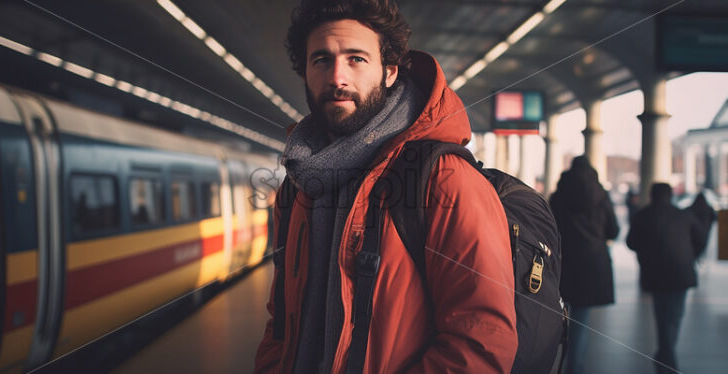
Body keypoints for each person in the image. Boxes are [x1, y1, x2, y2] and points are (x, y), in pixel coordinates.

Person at [254, 1, 518, 373]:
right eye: (321, 60)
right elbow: (281, 317)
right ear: (305, 73)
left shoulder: (443, 179)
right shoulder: (297, 185)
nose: (337, 77)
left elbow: (482, 340)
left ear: (390, 71)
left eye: (356, 59)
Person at [626, 183, 707, 374]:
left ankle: (665, 356)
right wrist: (690, 256)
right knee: (675, 316)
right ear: (670, 196)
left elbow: (631, 242)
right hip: (681, 272)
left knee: (662, 315)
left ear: (652, 195)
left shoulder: (643, 215)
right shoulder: (684, 215)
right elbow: (701, 240)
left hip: (655, 273)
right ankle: (666, 357)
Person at [549, 156, 619, 374]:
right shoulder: (601, 196)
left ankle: (549, 362)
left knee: (554, 315)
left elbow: (550, 228)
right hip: (592, 263)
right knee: (581, 319)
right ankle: (574, 367)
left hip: (564, 262)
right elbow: (613, 231)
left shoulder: (558, 196)